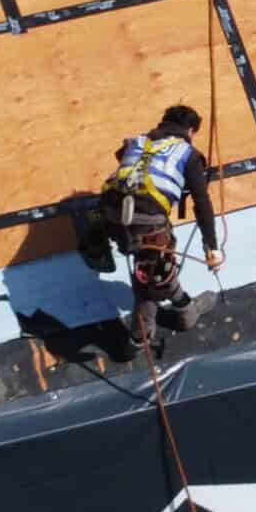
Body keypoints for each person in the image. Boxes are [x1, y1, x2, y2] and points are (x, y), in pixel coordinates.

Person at [78, 105, 225, 358]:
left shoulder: (137, 141)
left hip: (109, 213)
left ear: (163, 123)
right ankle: (138, 341)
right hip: (146, 222)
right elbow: (202, 203)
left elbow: (131, 166)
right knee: (152, 280)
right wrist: (211, 246)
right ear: (191, 130)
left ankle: (184, 306)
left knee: (153, 269)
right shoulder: (188, 154)